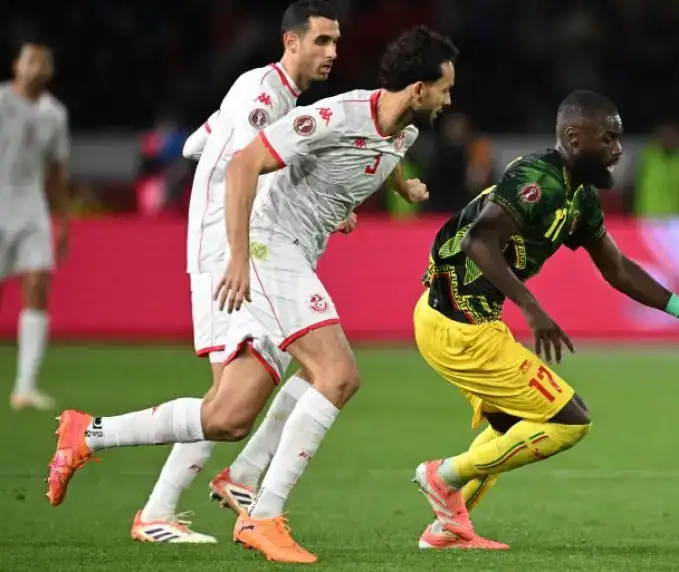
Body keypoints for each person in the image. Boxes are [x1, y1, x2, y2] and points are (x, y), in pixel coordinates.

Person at [46, 25, 454, 564]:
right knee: (337, 374)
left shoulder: (405, 132)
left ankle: (91, 433)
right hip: (266, 248)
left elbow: (382, 151)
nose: (450, 100)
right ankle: (261, 513)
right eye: (445, 88)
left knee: (229, 415)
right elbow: (244, 164)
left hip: (296, 256)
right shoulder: (335, 113)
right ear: (419, 89)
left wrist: (400, 187)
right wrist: (238, 257)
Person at [412, 90, 679, 549]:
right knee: (569, 420)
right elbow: (479, 241)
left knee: (511, 429)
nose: (619, 150)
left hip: (456, 321)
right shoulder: (535, 179)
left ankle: (448, 528)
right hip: (460, 328)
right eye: (609, 138)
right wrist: (531, 306)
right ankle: (443, 477)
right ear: (575, 138)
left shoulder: (579, 197)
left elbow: (616, 268)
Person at [1, 40, 72, 411]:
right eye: (30, 60)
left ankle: (25, 386)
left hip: (31, 209)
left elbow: (57, 171)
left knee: (38, 284)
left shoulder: (54, 114)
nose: (36, 67)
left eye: (43, 62)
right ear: (16, 65)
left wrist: (63, 219)